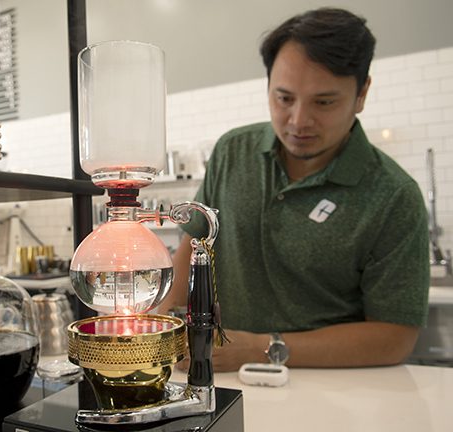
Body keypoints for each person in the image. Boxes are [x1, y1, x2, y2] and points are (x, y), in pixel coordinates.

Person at [159, 7, 430, 372]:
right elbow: (194, 244)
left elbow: (395, 337)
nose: (299, 121)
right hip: (229, 379)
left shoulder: (394, 196)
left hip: (341, 388)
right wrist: (167, 332)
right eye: (284, 98)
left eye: (324, 102)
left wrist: (263, 348)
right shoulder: (232, 152)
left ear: (362, 93)